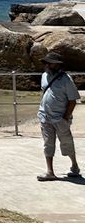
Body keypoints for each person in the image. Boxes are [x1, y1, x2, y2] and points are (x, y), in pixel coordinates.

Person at [37, 51, 80, 181]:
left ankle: (74, 166)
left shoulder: (66, 79)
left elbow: (73, 100)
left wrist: (66, 117)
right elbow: (45, 92)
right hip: (45, 116)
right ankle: (50, 172)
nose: (48, 66)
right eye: (47, 63)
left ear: (58, 65)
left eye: (51, 64)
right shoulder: (44, 76)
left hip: (60, 118)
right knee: (48, 144)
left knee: (66, 143)